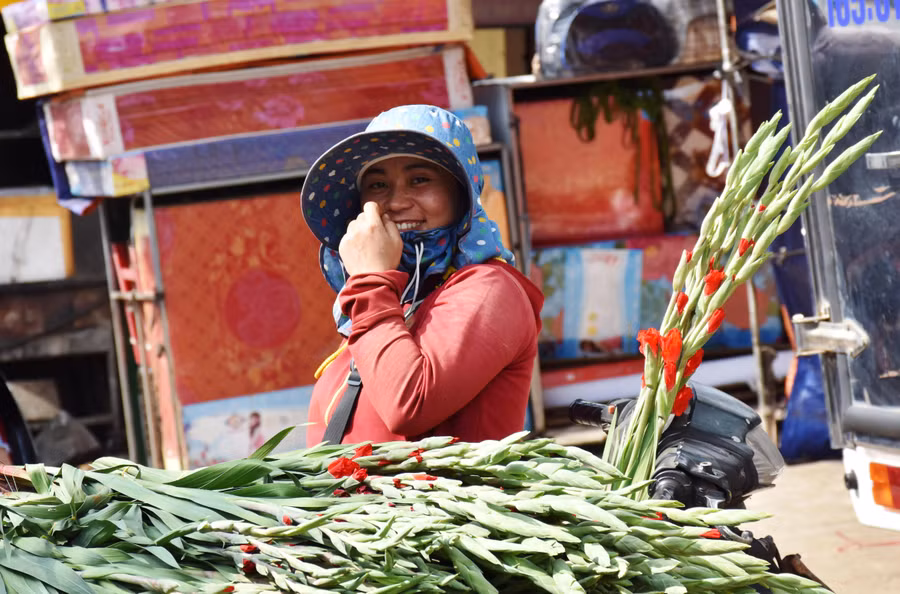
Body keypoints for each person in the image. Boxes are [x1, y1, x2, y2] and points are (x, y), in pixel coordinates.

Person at [300, 105, 544, 446]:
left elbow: (408, 404)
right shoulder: (390, 300)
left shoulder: (490, 289)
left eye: (419, 180)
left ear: (461, 196)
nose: (396, 202)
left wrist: (370, 279)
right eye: (378, 184)